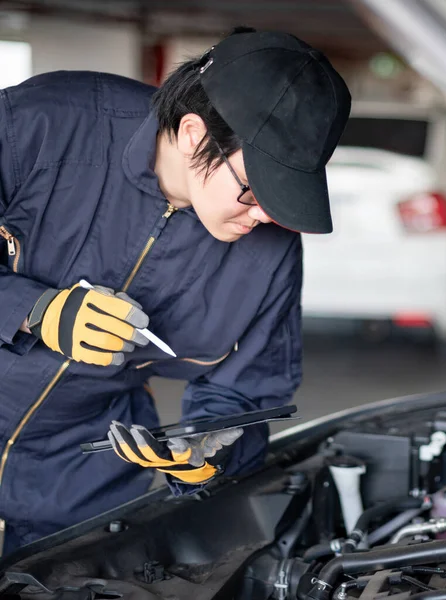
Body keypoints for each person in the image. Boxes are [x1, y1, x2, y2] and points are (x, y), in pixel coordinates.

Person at [0, 26, 351, 553]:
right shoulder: (47, 123)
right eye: (255, 190)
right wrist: (34, 309)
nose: (267, 215)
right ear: (194, 135)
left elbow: (247, 394)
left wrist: (208, 453)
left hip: (79, 469)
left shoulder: (270, 252)